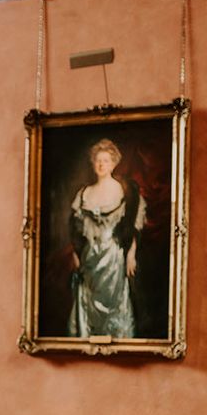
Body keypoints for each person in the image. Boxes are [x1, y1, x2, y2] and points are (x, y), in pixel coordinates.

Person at [68, 138, 146, 338]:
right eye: (98, 160)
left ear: (113, 164)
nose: (101, 164)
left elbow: (133, 224)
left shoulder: (124, 191)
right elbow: (75, 229)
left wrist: (131, 254)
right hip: (89, 257)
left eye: (106, 160)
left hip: (113, 256)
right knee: (87, 300)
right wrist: (75, 254)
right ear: (93, 164)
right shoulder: (85, 193)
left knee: (115, 302)